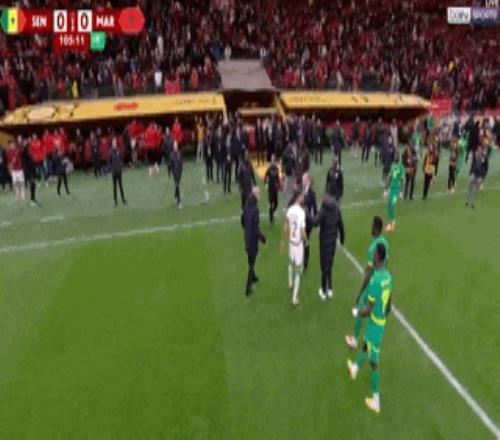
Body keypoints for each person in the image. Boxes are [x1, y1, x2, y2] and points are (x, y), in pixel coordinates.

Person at [347, 243, 392, 414]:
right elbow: (389, 303)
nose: (372, 255)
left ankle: (376, 401)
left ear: (378, 257)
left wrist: (357, 312)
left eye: (374, 254)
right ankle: (355, 368)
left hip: (375, 324)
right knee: (366, 344)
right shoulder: (388, 276)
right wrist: (385, 313)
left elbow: (368, 309)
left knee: (374, 363)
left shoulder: (375, 281)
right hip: (379, 322)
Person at [345, 216, 388, 350]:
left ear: (375, 228)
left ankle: (354, 339)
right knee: (376, 309)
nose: (370, 227)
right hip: (383, 280)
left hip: (373, 284)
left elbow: (368, 273)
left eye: (372, 225)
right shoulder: (384, 243)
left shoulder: (372, 249)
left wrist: (360, 292)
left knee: (361, 307)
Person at [313, 193, 345, 301]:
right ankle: (330, 288)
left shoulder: (323, 210)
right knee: (329, 264)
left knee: (324, 267)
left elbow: (315, 223)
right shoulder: (337, 210)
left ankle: (323, 290)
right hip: (332, 241)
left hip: (324, 241)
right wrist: (342, 240)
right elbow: (341, 226)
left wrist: (307, 213)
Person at [281, 189, 307, 308]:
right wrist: (307, 241)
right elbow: (302, 232)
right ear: (298, 197)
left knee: (290, 263)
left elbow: (286, 225)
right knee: (298, 272)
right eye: (302, 196)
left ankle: (290, 283)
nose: (303, 198)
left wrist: (283, 240)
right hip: (298, 245)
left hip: (291, 243)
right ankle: (294, 299)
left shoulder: (290, 210)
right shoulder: (301, 212)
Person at [241, 187, 267, 297]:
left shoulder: (247, 204)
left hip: (247, 238)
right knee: (251, 263)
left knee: (250, 259)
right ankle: (248, 288)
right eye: (259, 194)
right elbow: (256, 228)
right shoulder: (255, 209)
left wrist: (246, 229)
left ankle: (254, 277)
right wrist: (263, 238)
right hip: (252, 240)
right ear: (256, 195)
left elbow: (242, 219)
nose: (260, 196)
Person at [385, 151, 404, 232]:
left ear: (399, 157)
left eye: (397, 156)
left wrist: (401, 192)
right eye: (395, 156)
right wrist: (386, 189)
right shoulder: (393, 166)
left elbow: (402, 180)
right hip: (391, 188)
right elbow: (389, 177)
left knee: (392, 205)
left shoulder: (401, 167)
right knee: (389, 205)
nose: (395, 157)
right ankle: (391, 222)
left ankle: (391, 224)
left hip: (396, 189)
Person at [302, 173, 317, 271]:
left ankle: (305, 262)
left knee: (305, 241)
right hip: (301, 220)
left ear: (308, 181)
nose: (302, 181)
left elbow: (314, 207)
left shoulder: (311, 193)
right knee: (302, 241)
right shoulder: (303, 190)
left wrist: (315, 220)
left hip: (307, 222)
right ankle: (302, 260)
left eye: (304, 179)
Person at [108, 139, 127, 207]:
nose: (115, 144)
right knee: (115, 186)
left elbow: (121, 159)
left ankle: (123, 199)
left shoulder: (118, 150)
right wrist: (111, 170)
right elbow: (109, 162)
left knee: (121, 185)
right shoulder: (110, 152)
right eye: (113, 143)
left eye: (115, 143)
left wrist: (121, 166)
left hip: (119, 171)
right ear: (112, 144)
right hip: (114, 172)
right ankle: (115, 201)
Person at [264, 153, 280, 223]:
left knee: (276, 203)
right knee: (271, 203)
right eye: (272, 160)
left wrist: (279, 184)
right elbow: (265, 177)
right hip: (270, 189)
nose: (273, 161)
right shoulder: (269, 168)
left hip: (275, 189)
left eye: (274, 160)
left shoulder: (276, 169)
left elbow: (277, 178)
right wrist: (266, 184)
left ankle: (272, 212)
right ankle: (271, 219)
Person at [282, 142, 296, 207]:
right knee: (287, 189)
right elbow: (283, 163)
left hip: (290, 173)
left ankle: (289, 203)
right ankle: (286, 204)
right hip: (288, 174)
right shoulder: (287, 154)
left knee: (289, 190)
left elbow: (294, 164)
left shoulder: (289, 154)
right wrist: (283, 172)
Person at [170, 142, 183, 208]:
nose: (175, 147)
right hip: (175, 172)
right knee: (177, 185)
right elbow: (171, 164)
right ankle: (179, 201)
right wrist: (172, 172)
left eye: (176, 146)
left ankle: (175, 195)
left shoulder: (179, 153)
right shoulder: (171, 154)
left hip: (179, 171)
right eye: (174, 146)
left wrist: (181, 170)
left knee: (177, 185)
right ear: (173, 147)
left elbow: (181, 162)